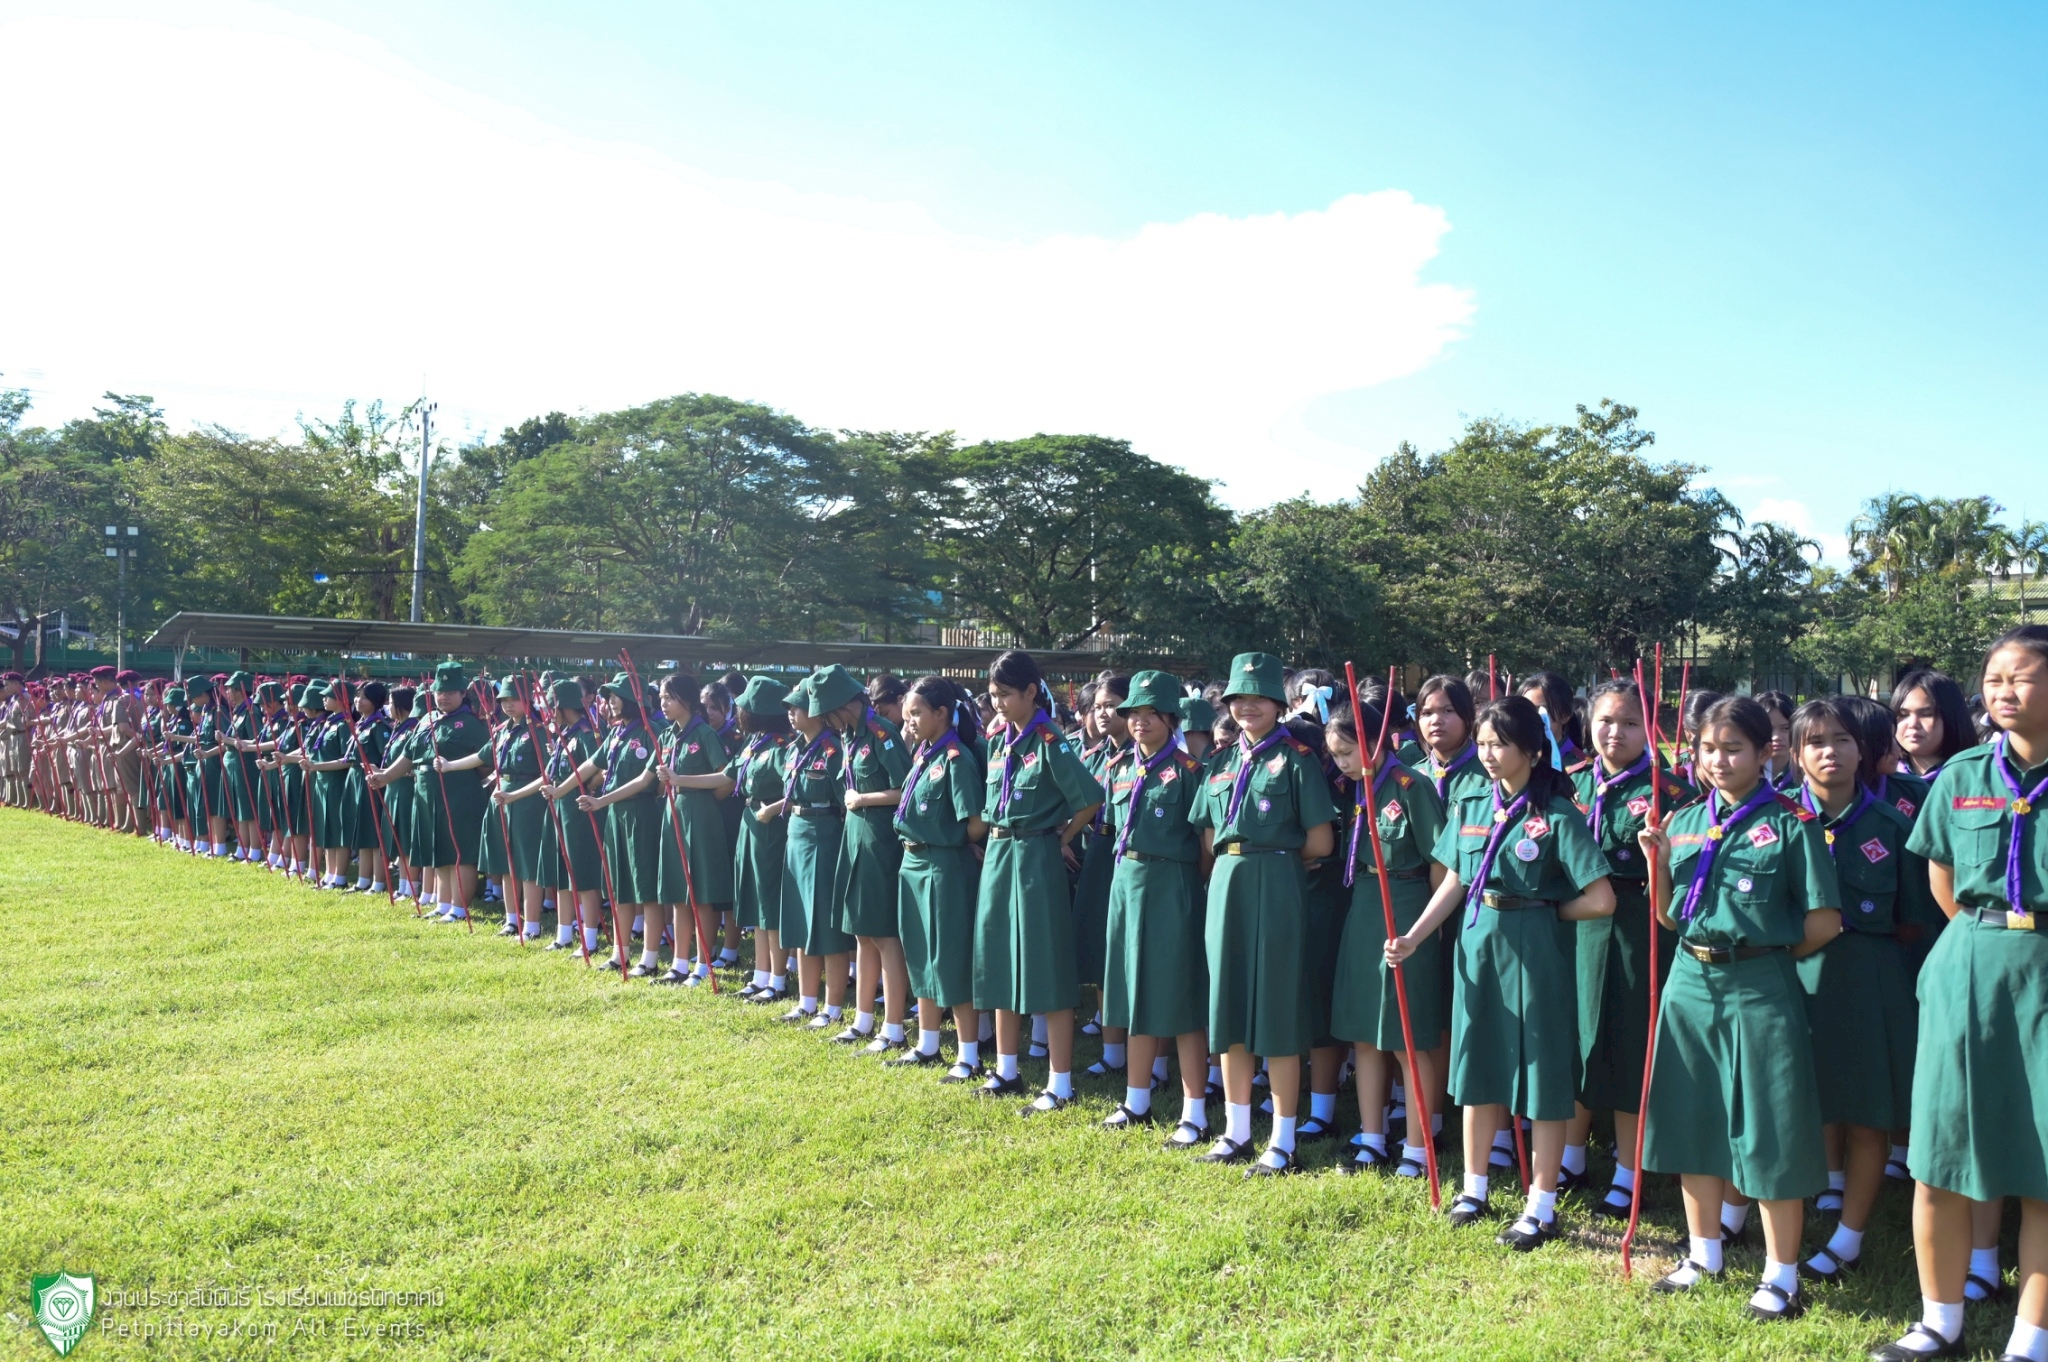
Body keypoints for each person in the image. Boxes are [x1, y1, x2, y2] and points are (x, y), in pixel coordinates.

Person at [1634, 695, 1839, 1320]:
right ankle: (1704, 1254)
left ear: (1763, 750)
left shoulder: (1793, 823)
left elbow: (1824, 922)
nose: (1718, 761)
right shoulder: (1684, 820)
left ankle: (1781, 1274)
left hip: (1759, 985)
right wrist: (1656, 862)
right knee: (1692, 1117)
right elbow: (1669, 917)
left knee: (1770, 1126)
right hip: (1689, 981)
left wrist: (1764, 954)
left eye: (1732, 749)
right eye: (1707, 749)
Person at [1387, 695, 1615, 1247]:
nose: (1488, 755)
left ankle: (1541, 1205)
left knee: (1543, 1073)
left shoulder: (1556, 814)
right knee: (1477, 1064)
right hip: (1478, 942)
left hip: (1535, 951)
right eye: (1484, 744)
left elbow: (1601, 898)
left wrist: (1549, 911)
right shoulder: (1471, 803)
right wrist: (1415, 936)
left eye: (1500, 745)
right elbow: (1455, 880)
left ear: (1532, 751)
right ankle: (1474, 1188)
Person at [1878, 625, 2048, 1362]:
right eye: (1993, 678)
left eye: (2021, 676)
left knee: (2043, 1169)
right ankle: (1939, 1321)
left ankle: (2031, 1339)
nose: (2003, 691)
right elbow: (1942, 877)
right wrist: (1985, 942)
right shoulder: (1963, 774)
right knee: (1940, 1156)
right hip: (1969, 968)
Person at [1785, 695, 1927, 1286]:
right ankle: (1770, 1214)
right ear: (1795, 754)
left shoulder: (1893, 827)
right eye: (1816, 742)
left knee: (1869, 1116)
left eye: (1842, 740)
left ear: (1863, 749)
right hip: (1792, 981)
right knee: (1791, 1105)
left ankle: (1849, 1236)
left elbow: (1916, 922)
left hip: (1872, 983)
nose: (1830, 752)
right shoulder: (1777, 823)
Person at [1190, 651, 1338, 1173]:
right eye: (1239, 697)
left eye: (1259, 697)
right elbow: (1208, 834)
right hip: (1226, 886)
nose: (1247, 706)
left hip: (1276, 884)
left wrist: (1272, 857)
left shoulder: (1298, 760)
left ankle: (1281, 1139)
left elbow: (1320, 841)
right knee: (1228, 1007)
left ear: (1279, 703)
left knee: (1276, 1011)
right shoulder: (1220, 763)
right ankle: (1235, 1131)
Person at [1570, 679, 1694, 1217]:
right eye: (1605, 720)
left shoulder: (1671, 793)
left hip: (1636, 926)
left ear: (1649, 730)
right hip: (1576, 925)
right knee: (1576, 1039)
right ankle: (1571, 1156)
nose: (1615, 733)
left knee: (1629, 1045)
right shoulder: (1569, 782)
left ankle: (1628, 1168)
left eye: (1629, 723)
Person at [976, 649, 1105, 1114]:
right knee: (999, 960)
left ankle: (1060, 1083)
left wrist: (1061, 837)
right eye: (993, 695)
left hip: (1035, 856)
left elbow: (1089, 799)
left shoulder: (1050, 741)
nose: (998, 703)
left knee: (1047, 967)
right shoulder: (999, 741)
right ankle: (1006, 1070)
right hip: (999, 855)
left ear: (1031, 692)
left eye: (1006, 694)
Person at [1325, 694, 1448, 1177]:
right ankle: (1372, 1139)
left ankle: (1417, 1148)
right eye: (1335, 755)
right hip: (1365, 906)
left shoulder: (1411, 786)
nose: (1341, 763)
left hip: (1406, 905)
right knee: (1365, 1033)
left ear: (1375, 742)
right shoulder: (1356, 789)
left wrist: (1428, 928)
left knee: (1406, 1037)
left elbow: (1439, 864)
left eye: (1347, 752)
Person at [1095, 670, 1209, 1138]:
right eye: (1133, 713)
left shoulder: (1189, 772)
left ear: (1170, 718)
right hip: (1127, 883)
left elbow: (1205, 845)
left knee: (1180, 996)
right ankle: (1136, 1100)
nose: (1139, 721)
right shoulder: (1119, 768)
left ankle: (1195, 1112)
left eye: (1150, 713)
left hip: (1172, 884)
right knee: (1131, 992)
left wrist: (1189, 886)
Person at [891, 675, 988, 1077]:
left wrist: (949, 841)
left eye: (916, 713)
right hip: (913, 864)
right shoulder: (924, 755)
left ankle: (968, 1055)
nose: (909, 722)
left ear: (942, 713)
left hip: (943, 867)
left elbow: (975, 823)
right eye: (906, 715)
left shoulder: (956, 759)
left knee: (950, 959)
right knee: (920, 955)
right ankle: (928, 1043)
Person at [822, 664, 913, 1048]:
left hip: (879, 840)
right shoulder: (849, 735)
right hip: (855, 837)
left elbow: (905, 788)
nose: (825, 721)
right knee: (861, 931)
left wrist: (863, 799)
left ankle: (893, 1027)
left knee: (885, 935)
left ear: (842, 705)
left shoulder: (881, 732)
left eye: (826, 713)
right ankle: (863, 1020)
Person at [770, 677, 852, 1029]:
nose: (791, 713)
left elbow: (845, 801)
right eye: (788, 708)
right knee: (800, 920)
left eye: (798, 707)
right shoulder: (793, 749)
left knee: (826, 927)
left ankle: (832, 1007)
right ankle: (806, 1002)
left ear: (817, 711)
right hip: (797, 834)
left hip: (824, 835)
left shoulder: (833, 750)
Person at [652, 671, 736, 985]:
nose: (663, 704)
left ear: (686, 699)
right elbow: (652, 780)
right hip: (673, 813)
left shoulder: (704, 734)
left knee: (701, 895)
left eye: (669, 698)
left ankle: (703, 964)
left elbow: (727, 778)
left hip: (700, 816)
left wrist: (695, 793)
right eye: (661, 698)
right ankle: (679, 963)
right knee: (678, 893)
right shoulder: (666, 735)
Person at [723, 677, 794, 1002]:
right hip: (750, 822)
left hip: (770, 828)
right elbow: (727, 776)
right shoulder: (753, 743)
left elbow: (794, 790)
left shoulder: (781, 746)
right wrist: (679, 779)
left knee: (770, 904)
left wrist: (772, 810)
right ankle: (761, 975)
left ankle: (778, 981)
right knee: (755, 902)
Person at [1077, 675, 1133, 1074]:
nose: (1102, 713)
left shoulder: (1142, 756)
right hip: (1098, 853)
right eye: (1097, 706)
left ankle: (1150, 1054)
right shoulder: (1094, 757)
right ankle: (1112, 1051)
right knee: (1101, 949)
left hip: (1127, 856)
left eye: (1111, 704)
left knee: (1129, 954)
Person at [535, 679, 606, 956]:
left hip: (579, 809)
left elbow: (601, 769)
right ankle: (563, 934)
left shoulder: (587, 734)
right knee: (563, 873)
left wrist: (589, 788)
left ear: (563, 707)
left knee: (583, 875)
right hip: (559, 807)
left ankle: (590, 939)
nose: (548, 713)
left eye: (552, 707)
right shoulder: (564, 733)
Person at [1893, 670, 1977, 786]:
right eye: (1903, 714)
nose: (1913, 724)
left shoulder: (1973, 779)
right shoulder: (1882, 779)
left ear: (1952, 717)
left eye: (1926, 714)